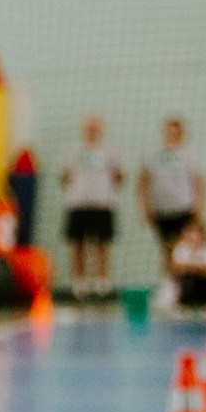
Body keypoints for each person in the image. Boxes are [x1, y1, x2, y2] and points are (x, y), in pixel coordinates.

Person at [59, 115, 122, 301]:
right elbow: (63, 176)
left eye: (95, 128)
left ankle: (103, 285)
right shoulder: (72, 151)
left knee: (103, 244)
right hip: (78, 204)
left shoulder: (110, 151)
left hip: (102, 204)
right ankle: (79, 286)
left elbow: (119, 175)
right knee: (77, 244)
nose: (92, 131)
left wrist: (103, 189)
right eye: (89, 128)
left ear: (101, 130)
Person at [138, 117, 204, 276]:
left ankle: (186, 285)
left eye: (175, 131)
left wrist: (199, 204)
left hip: (183, 208)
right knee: (166, 248)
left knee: (184, 249)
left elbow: (199, 181)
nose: (171, 134)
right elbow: (143, 181)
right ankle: (169, 284)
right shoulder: (154, 155)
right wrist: (145, 206)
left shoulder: (189, 155)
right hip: (162, 210)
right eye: (168, 131)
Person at [168, 218, 206, 310]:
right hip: (184, 288)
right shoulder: (180, 249)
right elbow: (176, 269)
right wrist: (201, 268)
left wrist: (190, 268)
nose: (191, 236)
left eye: (194, 233)